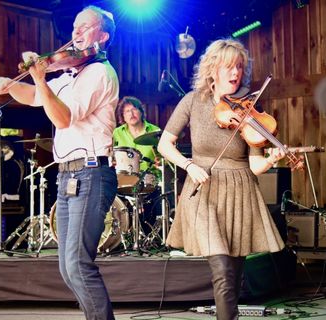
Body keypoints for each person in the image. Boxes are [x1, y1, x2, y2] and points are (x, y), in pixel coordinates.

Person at [0, 5, 119, 320]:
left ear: (103, 35)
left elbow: (62, 116)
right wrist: (9, 82)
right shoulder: (72, 72)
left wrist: (41, 77)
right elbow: (35, 97)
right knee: (67, 266)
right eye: (74, 27)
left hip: (91, 172)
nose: (75, 33)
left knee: (78, 265)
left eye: (84, 27)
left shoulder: (99, 73)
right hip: (68, 176)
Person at [157, 38, 286, 320]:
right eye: (229, 66)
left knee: (235, 277)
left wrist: (271, 159)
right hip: (203, 189)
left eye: (239, 66)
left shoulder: (248, 108)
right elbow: (164, 144)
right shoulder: (192, 101)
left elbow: (254, 165)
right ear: (212, 69)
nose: (235, 72)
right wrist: (188, 165)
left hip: (240, 191)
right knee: (223, 273)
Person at [113, 96, 162, 235]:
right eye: (127, 111)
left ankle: (151, 233)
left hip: (149, 178)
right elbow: (109, 153)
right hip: (124, 179)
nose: (131, 113)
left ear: (141, 112)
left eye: (134, 109)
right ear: (123, 116)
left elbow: (164, 157)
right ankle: (121, 233)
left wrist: (161, 161)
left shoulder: (154, 131)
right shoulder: (117, 133)